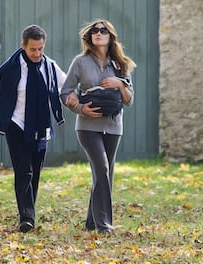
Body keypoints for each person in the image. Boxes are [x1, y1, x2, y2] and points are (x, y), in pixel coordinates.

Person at [60, 19, 136, 234]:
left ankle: (91, 222)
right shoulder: (80, 62)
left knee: (105, 173)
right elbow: (66, 92)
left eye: (103, 31)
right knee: (101, 169)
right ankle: (104, 225)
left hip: (113, 126)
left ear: (111, 36)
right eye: (95, 31)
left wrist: (119, 83)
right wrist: (79, 108)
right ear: (90, 36)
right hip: (87, 126)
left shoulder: (120, 64)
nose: (98, 34)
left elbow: (129, 100)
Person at [0, 25, 66, 233]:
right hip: (18, 126)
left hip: (41, 127)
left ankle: (28, 210)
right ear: (23, 45)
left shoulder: (49, 66)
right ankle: (27, 218)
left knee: (35, 172)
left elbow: (66, 87)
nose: (37, 53)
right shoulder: (10, 69)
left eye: (40, 48)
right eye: (33, 49)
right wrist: (10, 118)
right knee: (24, 171)